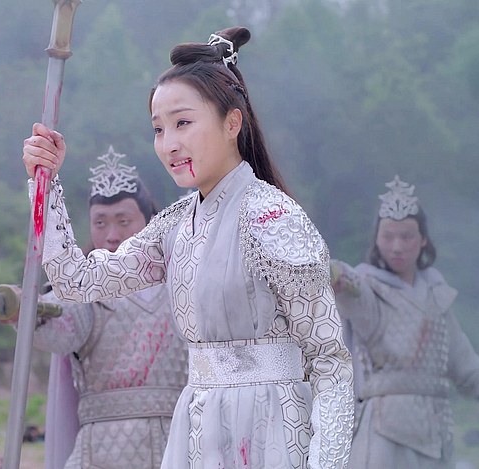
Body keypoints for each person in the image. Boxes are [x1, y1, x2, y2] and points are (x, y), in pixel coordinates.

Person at [21, 26, 354, 469]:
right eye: (159, 129)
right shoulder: (174, 226)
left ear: (232, 123)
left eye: (183, 123)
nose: (169, 144)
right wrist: (44, 184)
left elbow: (330, 363)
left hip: (271, 429)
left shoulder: (273, 218)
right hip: (196, 427)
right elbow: (75, 281)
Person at [15, 146, 188, 469]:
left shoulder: (185, 283)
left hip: (183, 440)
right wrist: (26, 310)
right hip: (101, 451)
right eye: (100, 222)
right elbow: (60, 321)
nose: (111, 235)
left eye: (123, 221)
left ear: (150, 221)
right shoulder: (83, 292)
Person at [330, 176, 479, 469]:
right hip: (383, 437)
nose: (397, 246)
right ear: (377, 239)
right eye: (388, 236)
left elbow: (468, 368)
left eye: (406, 236)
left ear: (422, 240)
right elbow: (344, 280)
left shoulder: (437, 296)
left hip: (435, 432)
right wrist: (324, 266)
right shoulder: (368, 289)